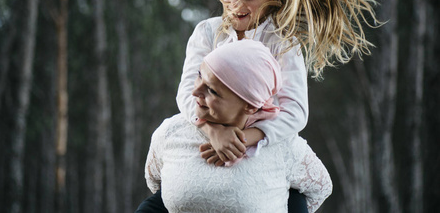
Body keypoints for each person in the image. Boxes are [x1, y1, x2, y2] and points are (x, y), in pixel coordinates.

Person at [137, 0, 382, 211]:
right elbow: (188, 91)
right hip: (210, 126)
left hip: (262, 139)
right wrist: (215, 132)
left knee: (294, 199)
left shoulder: (284, 43)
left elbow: (295, 112)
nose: (236, 4)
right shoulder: (207, 32)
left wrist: (247, 137)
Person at [141, 40, 332, 213]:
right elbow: (157, 184)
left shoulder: (283, 145)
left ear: (250, 105)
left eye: (213, 91)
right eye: (199, 75)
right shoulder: (171, 132)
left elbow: (320, 188)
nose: (195, 91)